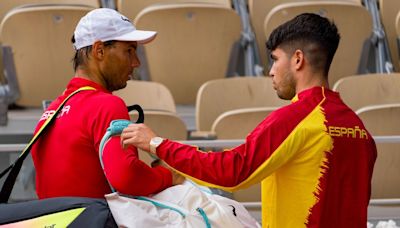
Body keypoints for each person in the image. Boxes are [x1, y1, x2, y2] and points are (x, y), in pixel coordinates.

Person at [121, 13, 377, 227]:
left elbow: (233, 170)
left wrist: (156, 143)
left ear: (298, 59)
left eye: (276, 60)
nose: (271, 71)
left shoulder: (298, 118)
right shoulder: (358, 127)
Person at [31, 8, 183, 199]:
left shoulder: (50, 112)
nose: (136, 62)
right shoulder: (106, 105)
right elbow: (128, 178)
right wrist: (168, 175)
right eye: (129, 51)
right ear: (99, 51)